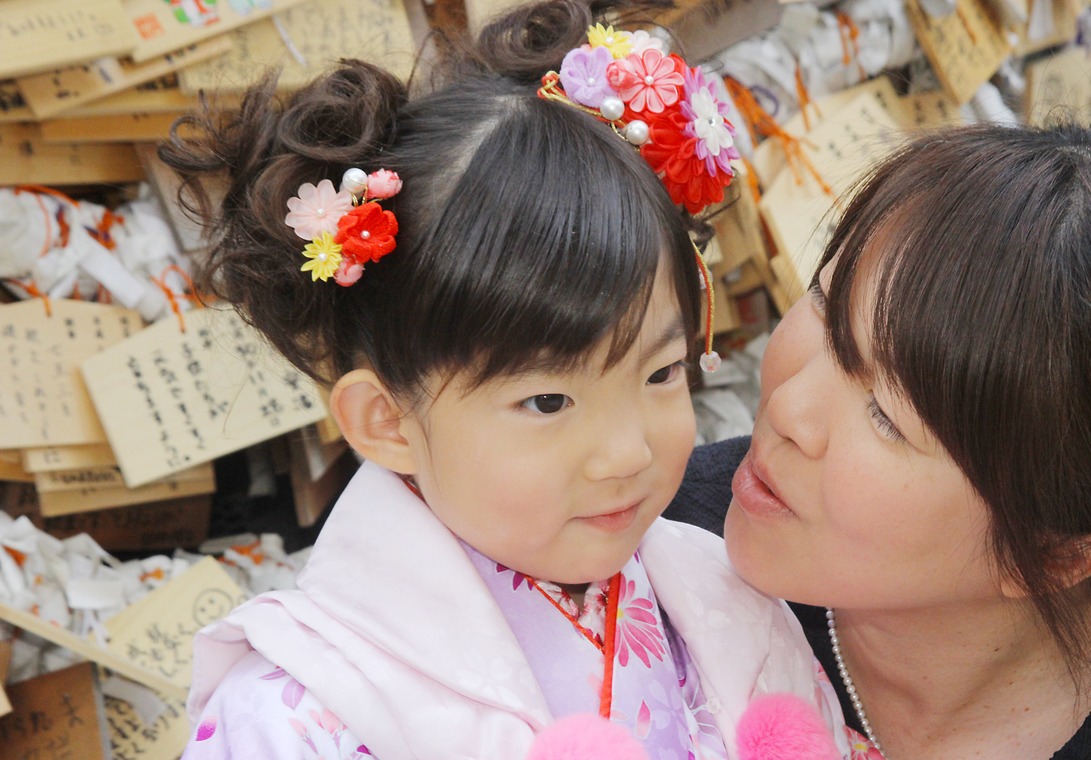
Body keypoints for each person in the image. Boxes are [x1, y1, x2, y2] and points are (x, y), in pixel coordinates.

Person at [161, 0, 851, 756]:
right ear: (387, 421)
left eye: (662, 373)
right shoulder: (293, 715)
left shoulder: (725, 592)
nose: (626, 453)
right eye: (549, 399)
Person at [666, 121, 1091, 759]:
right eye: (823, 307)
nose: (785, 408)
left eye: (887, 416)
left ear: (1059, 557)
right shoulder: (643, 541)